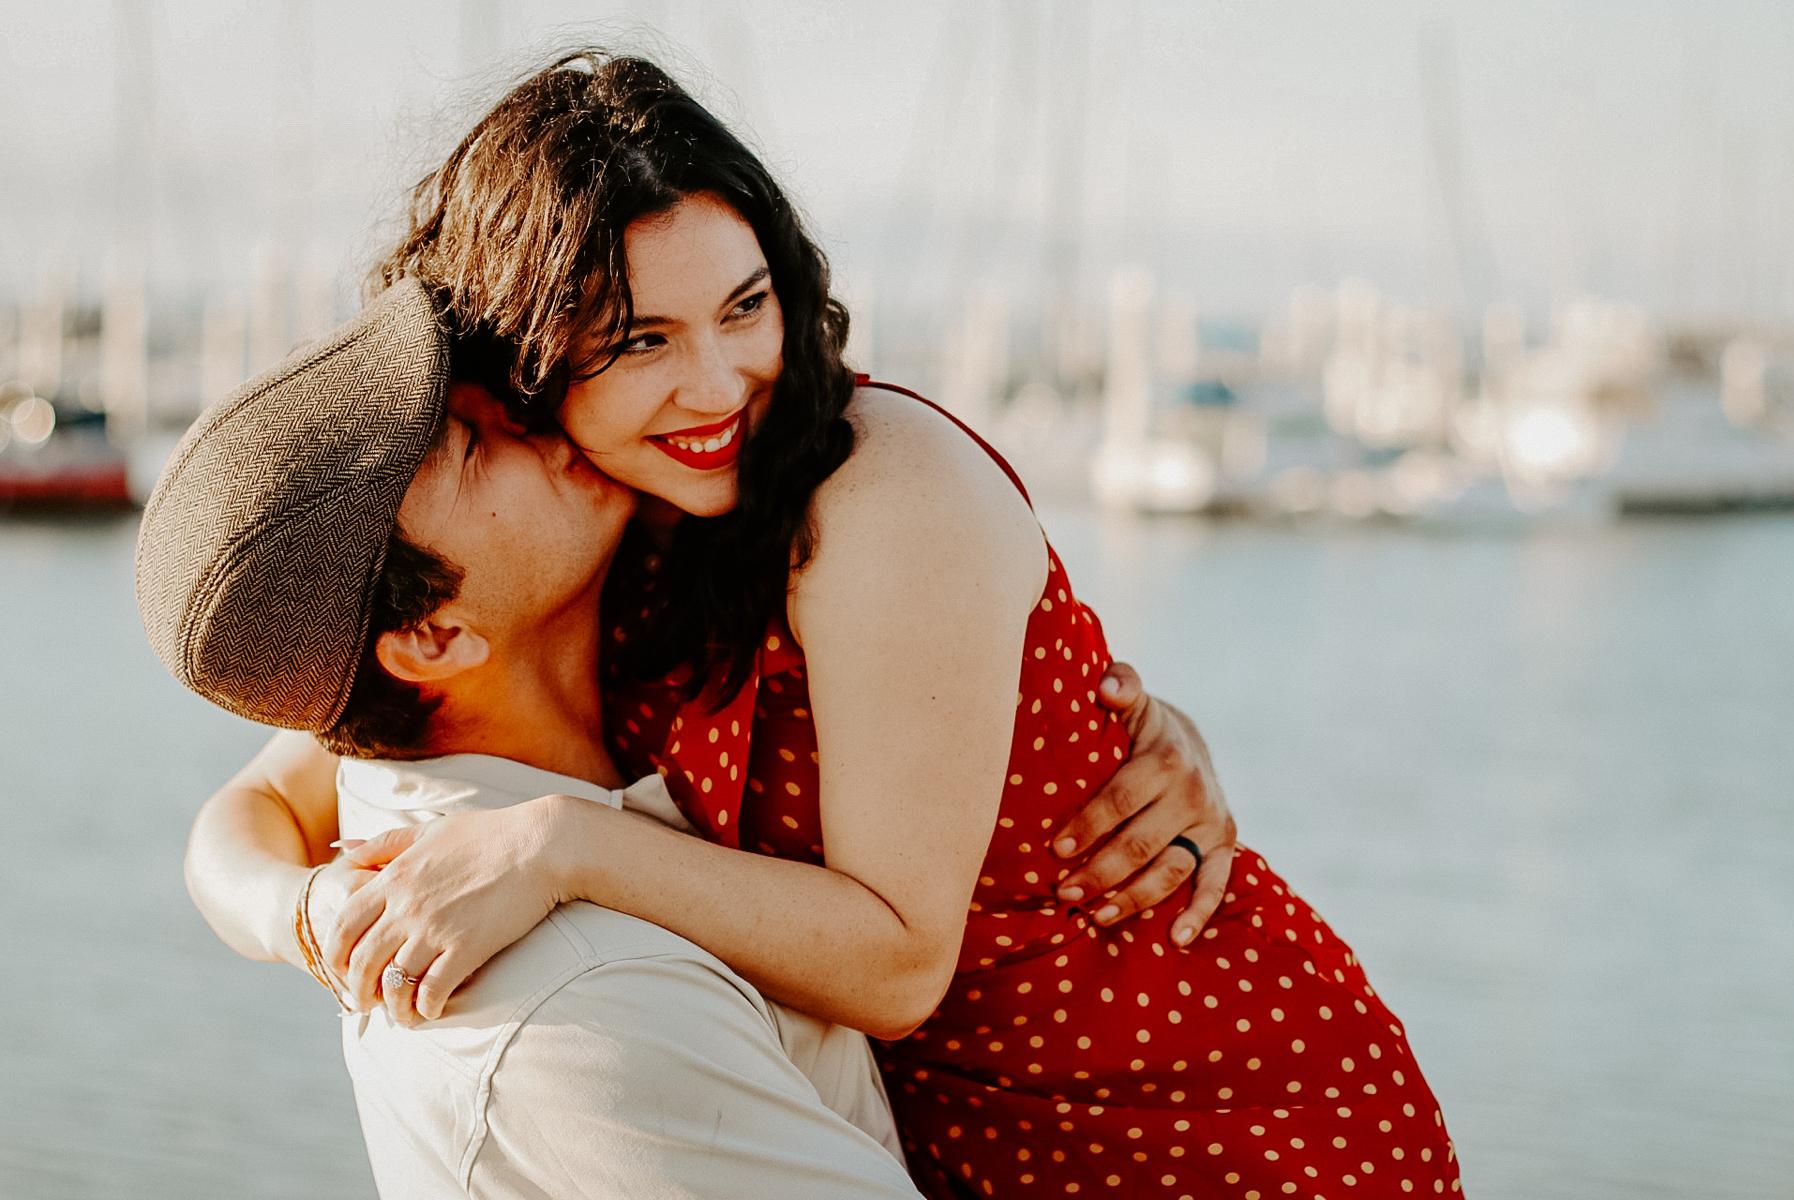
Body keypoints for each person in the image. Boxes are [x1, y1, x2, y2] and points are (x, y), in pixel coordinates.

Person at [201, 48, 1462, 1198]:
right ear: (523, 364)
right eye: (640, 341)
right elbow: (260, 804)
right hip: (927, 1135)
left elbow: (900, 964)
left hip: (1202, 1114)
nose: (718, 385)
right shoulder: (583, 529)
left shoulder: (873, 487)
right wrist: (314, 923)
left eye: (744, 307)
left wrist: (559, 847)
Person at [137, 279, 923, 1199]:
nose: (533, 413)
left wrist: (302, 913)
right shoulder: (596, 1012)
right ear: (433, 638)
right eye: (471, 444)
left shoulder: (412, 726)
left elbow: (257, 803)